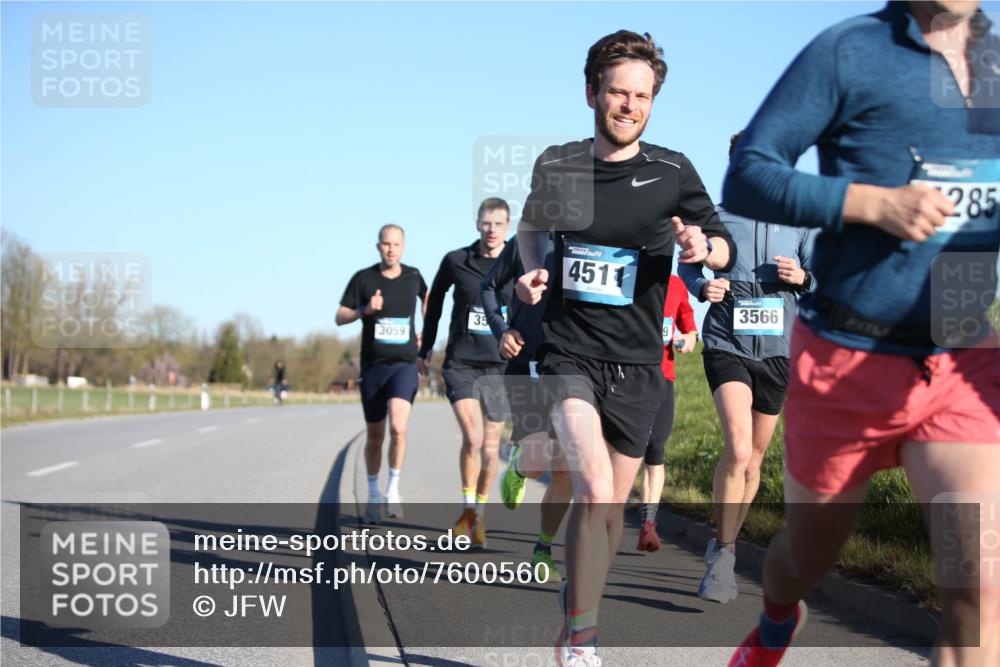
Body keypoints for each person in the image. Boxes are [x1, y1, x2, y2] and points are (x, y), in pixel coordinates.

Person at [722, 3, 1000, 665]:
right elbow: (750, 171)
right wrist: (871, 203)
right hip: (847, 359)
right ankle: (776, 619)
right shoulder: (848, 50)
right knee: (803, 559)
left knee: (980, 583)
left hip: (960, 360)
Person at [516, 30, 735, 666]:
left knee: (610, 510)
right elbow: (534, 226)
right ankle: (583, 642)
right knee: (592, 487)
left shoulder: (671, 172)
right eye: (618, 92)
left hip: (639, 364)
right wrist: (535, 270)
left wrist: (701, 249)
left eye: (642, 96)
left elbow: (718, 242)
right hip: (569, 353)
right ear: (592, 93)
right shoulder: (559, 165)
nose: (630, 105)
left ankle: (576, 610)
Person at [676, 131, 816, 602]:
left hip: (779, 351)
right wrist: (702, 288)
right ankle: (724, 556)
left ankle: (724, 548)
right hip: (727, 341)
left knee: (754, 460)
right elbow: (689, 264)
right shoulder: (715, 217)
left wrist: (804, 278)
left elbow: (825, 279)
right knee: (737, 450)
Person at [419, 198, 512, 549]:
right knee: (472, 439)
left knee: (491, 449)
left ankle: (478, 518)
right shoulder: (456, 260)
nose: (492, 230)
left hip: (501, 366)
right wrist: (425, 347)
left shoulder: (516, 263)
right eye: (487, 223)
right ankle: (467, 510)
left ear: (507, 227)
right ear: (477, 224)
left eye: (499, 224)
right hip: (461, 362)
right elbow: (436, 303)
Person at [482, 234, 572, 581]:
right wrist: (502, 330)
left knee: (565, 467)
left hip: (572, 365)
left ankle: (543, 548)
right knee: (537, 461)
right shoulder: (525, 240)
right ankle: (519, 468)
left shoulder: (591, 242)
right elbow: (488, 287)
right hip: (526, 362)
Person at [336, 224, 428, 524]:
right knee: (375, 437)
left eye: (396, 244)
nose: (391, 249)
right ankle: (373, 494)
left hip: (404, 364)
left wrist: (427, 334)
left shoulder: (414, 277)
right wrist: (364, 309)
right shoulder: (364, 279)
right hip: (374, 368)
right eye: (386, 244)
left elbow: (430, 301)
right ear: (378, 247)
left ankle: (393, 490)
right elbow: (339, 316)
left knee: (398, 428)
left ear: (404, 247)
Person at [635, 274, 698, 553]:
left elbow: (690, 330)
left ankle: (649, 524)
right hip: (628, 377)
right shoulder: (628, 279)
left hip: (663, 377)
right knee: (621, 449)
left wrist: (687, 339)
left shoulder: (676, 284)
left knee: (656, 447)